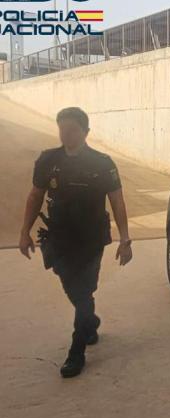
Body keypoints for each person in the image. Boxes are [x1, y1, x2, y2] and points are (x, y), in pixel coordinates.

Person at [18, 107, 133, 378]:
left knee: (83, 291)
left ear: (86, 132)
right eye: (62, 129)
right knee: (73, 287)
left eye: (72, 130)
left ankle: (76, 351)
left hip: (91, 239)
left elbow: (117, 201)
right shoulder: (48, 160)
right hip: (58, 237)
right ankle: (90, 321)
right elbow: (35, 196)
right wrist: (24, 231)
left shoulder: (102, 163)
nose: (66, 135)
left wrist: (125, 239)